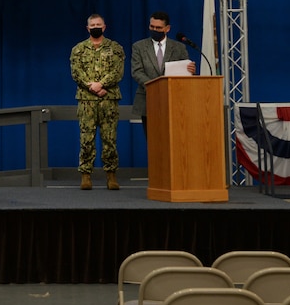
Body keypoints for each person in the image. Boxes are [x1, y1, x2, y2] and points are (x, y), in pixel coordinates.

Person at [70, 13, 125, 191]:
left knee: (110, 139)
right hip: (87, 100)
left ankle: (111, 175)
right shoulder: (78, 49)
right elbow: (76, 73)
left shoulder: (115, 48)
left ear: (104, 27)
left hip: (108, 98)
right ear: (87, 28)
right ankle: (86, 175)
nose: (95, 27)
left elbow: (118, 71)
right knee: (86, 138)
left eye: (98, 24)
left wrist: (102, 85)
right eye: (92, 25)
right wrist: (91, 86)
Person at [130, 11, 196, 136]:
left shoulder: (179, 48)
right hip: (148, 100)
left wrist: (190, 70)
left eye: (158, 28)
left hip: (174, 102)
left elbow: (184, 73)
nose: (154, 30)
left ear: (167, 29)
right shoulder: (139, 46)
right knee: (153, 141)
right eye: (152, 27)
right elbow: (137, 71)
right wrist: (154, 86)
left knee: (174, 139)